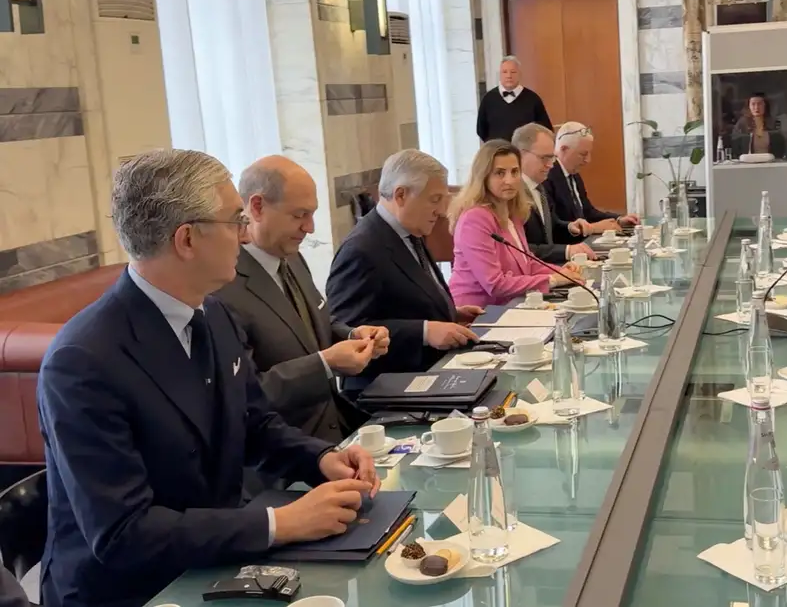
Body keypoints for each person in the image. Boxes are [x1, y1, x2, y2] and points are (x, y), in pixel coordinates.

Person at [37, 149, 380, 607]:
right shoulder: (82, 361)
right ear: (187, 239)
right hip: (133, 591)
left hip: (214, 560)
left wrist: (319, 459)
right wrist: (280, 523)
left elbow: (254, 423)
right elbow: (123, 533)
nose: (245, 233)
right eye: (235, 220)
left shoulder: (213, 314)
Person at [215, 156, 389, 442]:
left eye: (311, 214)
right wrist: (325, 364)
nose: (309, 227)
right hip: (285, 448)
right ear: (257, 207)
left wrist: (354, 335)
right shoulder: (222, 284)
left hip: (337, 429)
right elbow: (247, 394)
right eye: (299, 215)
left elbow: (314, 324)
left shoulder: (291, 257)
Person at [327, 149, 482, 394]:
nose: (441, 210)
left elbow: (404, 297)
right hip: (387, 388)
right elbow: (348, 329)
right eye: (434, 199)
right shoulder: (361, 249)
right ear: (401, 195)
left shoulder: (410, 230)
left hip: (430, 371)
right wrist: (425, 332)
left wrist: (446, 310)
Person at [448, 140, 585, 307]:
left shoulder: (513, 212)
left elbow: (527, 264)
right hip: (479, 313)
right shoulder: (475, 218)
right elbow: (495, 284)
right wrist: (553, 279)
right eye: (500, 173)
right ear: (483, 176)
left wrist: (561, 272)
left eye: (514, 172)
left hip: (512, 304)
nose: (510, 180)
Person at [511, 122, 595, 263]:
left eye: (552, 158)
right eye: (544, 158)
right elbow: (519, 249)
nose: (550, 165)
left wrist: (570, 227)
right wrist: (566, 251)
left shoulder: (539, 187)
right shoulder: (511, 194)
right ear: (521, 155)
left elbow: (550, 228)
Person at [545, 122, 640, 231]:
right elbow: (553, 226)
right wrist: (593, 228)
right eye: (583, 154)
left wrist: (618, 220)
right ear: (564, 149)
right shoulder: (547, 177)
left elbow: (588, 212)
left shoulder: (574, 175)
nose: (588, 160)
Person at [476, 55, 552, 143]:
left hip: (524, 150)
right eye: (504, 72)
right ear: (499, 75)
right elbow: (481, 129)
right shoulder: (488, 99)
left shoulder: (533, 99)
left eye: (513, 72)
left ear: (520, 74)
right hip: (497, 150)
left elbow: (545, 129)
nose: (509, 76)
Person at [728, 92, 787, 158]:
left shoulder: (774, 123)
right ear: (749, 106)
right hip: (748, 162)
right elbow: (735, 147)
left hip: (771, 161)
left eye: (759, 104)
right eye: (753, 104)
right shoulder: (741, 124)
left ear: (765, 105)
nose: (756, 107)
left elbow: (780, 146)